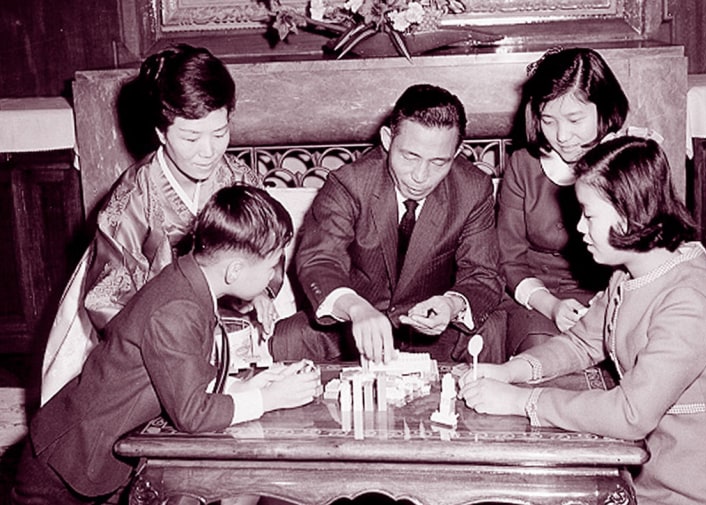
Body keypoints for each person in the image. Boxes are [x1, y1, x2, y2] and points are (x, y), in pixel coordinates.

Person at [459, 136, 706, 504]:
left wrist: (522, 401)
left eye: (589, 214)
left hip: (697, 491)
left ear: (629, 213)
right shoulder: (632, 271)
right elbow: (583, 340)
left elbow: (630, 414)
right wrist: (511, 371)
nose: (579, 229)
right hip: (647, 473)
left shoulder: (689, 301)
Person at [11, 184, 322, 505]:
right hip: (65, 466)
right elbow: (191, 414)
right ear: (235, 271)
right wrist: (267, 399)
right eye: (272, 266)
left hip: (86, 451)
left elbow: (172, 373)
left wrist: (246, 387)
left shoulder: (186, 279)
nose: (274, 275)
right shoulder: (179, 309)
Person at [40, 44, 277, 405]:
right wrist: (176, 344)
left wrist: (257, 292)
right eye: (191, 138)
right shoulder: (134, 201)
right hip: (145, 340)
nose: (209, 152)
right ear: (162, 133)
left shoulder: (240, 180)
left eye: (220, 133)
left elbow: (265, 253)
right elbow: (108, 300)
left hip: (220, 326)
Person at [285, 83, 507, 365]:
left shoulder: (474, 188)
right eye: (410, 156)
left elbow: (484, 273)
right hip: (353, 329)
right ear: (388, 139)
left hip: (434, 334)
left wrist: (451, 305)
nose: (420, 176)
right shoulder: (349, 183)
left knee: (492, 329)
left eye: (439, 162)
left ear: (457, 150)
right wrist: (355, 307)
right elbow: (320, 260)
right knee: (289, 336)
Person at [498, 47, 629, 355]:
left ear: (604, 109)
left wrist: (602, 305)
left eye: (574, 119)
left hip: (614, 295)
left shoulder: (628, 160)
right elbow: (509, 258)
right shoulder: (523, 165)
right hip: (537, 299)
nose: (562, 136)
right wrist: (552, 305)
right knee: (541, 355)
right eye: (548, 120)